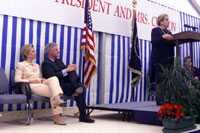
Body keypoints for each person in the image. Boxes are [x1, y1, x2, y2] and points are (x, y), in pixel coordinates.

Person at [41, 42, 95, 123]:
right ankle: (77, 86)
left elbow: (66, 72)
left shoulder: (59, 61)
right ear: (50, 51)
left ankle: (83, 115)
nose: (58, 51)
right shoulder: (46, 63)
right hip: (58, 87)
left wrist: (71, 68)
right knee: (78, 88)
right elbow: (51, 76)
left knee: (71, 70)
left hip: (67, 84)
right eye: (56, 50)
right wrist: (66, 70)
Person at [15, 44, 67, 125]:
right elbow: (17, 80)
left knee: (54, 78)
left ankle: (57, 99)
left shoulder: (37, 65)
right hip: (30, 86)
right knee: (53, 92)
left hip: (40, 83)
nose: (35, 53)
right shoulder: (21, 65)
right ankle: (57, 116)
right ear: (27, 54)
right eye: (33, 51)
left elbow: (39, 77)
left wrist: (42, 79)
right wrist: (31, 81)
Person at [149, 14, 175, 105]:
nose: (169, 21)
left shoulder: (169, 32)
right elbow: (154, 41)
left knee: (167, 79)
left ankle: (168, 98)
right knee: (159, 80)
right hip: (159, 60)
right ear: (161, 21)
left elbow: (173, 44)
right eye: (167, 20)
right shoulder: (156, 30)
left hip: (168, 60)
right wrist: (163, 37)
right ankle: (160, 100)